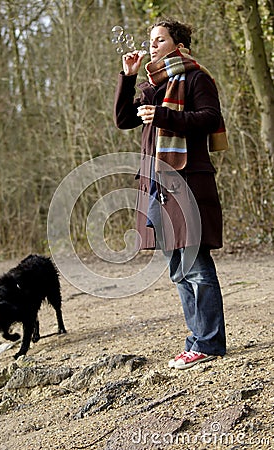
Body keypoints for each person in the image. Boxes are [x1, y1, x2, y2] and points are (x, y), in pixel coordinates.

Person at [113, 18, 227, 369]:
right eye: (151, 39)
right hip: (157, 185)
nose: (152, 44)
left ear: (177, 45)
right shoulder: (153, 85)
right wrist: (128, 77)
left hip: (188, 182)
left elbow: (209, 118)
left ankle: (208, 343)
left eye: (159, 39)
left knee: (196, 266)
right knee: (177, 268)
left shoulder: (196, 78)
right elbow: (123, 120)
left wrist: (163, 116)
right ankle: (197, 339)